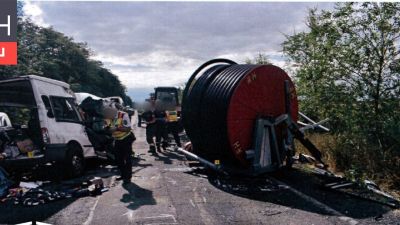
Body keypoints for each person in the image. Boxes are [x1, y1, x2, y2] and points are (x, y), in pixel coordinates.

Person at [104, 107, 136, 184]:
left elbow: (128, 129)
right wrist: (108, 130)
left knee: (127, 158)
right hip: (117, 139)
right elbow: (107, 127)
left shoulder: (123, 115)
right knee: (118, 158)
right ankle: (123, 175)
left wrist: (116, 128)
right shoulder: (106, 117)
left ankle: (128, 177)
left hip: (126, 138)